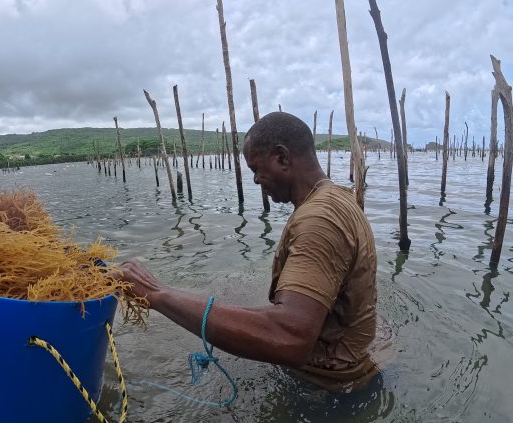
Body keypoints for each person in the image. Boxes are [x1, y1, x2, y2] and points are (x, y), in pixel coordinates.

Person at [119, 111, 382, 391]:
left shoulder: (319, 220)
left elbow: (290, 338)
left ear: (282, 157)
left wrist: (155, 294)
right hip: (350, 370)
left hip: (328, 389)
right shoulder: (337, 197)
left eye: (256, 168)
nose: (255, 180)